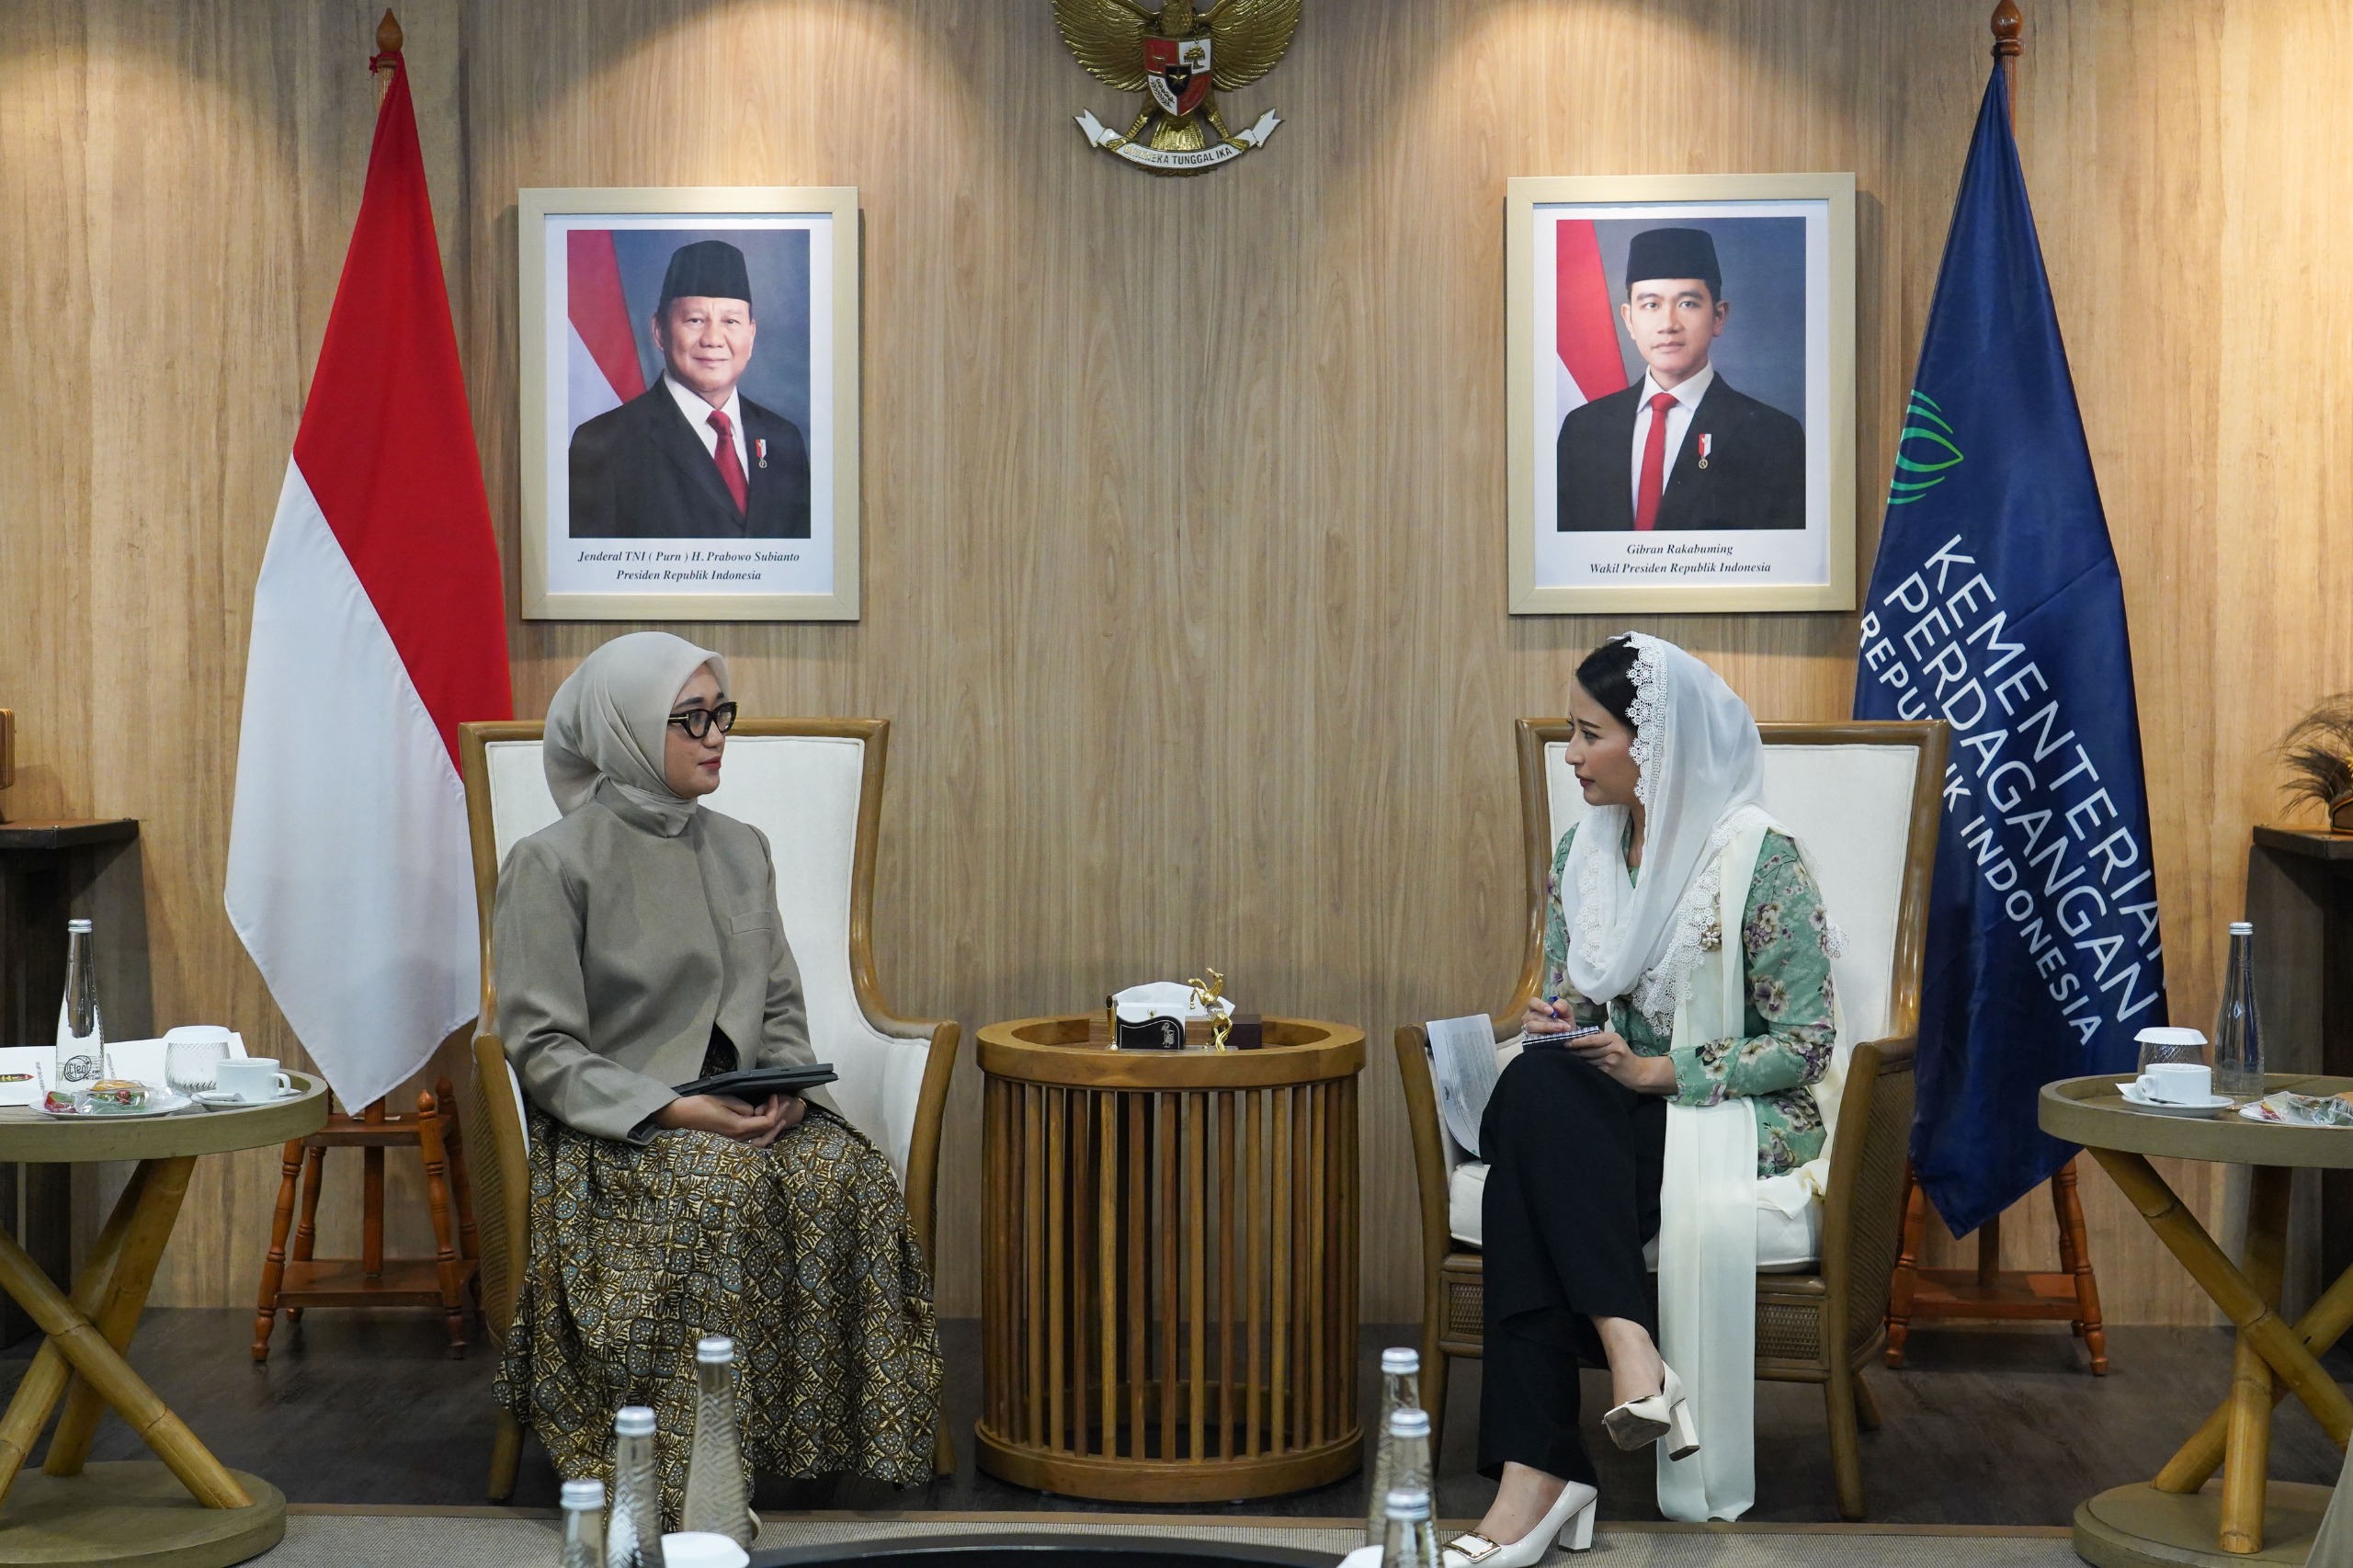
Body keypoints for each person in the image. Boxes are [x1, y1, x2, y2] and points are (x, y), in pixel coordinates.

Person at [490, 632, 939, 1521]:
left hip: (743, 1102)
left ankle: (826, 1447)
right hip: (621, 1128)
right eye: (689, 719)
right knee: (716, 1185)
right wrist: (672, 1110)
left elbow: (779, 1001)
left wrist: (785, 1089)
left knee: (843, 1174)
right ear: (624, 731)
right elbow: (541, 1045)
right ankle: (691, 1477)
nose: (716, 736)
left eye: (719, 713)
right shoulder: (551, 862)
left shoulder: (742, 847)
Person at [1444, 632, 1845, 1562]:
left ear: (1653, 745)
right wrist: (1557, 1018)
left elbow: (1806, 1043)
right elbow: (1577, 1001)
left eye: (1590, 735)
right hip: (1600, 1110)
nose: (1570, 755)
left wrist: (1657, 1072)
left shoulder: (1760, 859)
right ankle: (1630, 1347)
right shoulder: (1582, 852)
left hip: (1723, 1113)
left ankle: (1539, 1476)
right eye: (1569, 733)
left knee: (1526, 1168)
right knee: (1539, 1081)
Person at [1555, 227, 1806, 532]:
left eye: (1687, 303)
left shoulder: (1773, 436)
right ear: (1629, 319)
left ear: (1718, 317)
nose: (1668, 324)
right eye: (1651, 305)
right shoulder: (1582, 429)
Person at [568, 239, 812, 540]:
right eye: (695, 320)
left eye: (730, 321)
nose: (713, 339)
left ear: (751, 335)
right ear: (659, 331)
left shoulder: (784, 440)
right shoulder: (603, 444)